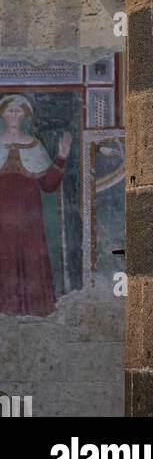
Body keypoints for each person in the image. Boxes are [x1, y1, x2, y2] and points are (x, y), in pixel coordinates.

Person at [0, 93, 70, 315]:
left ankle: (34, 312)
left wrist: (61, 156)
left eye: (18, 110)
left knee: (31, 257)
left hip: (30, 219)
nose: (13, 114)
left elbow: (49, 185)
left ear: (25, 115)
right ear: (2, 114)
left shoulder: (34, 145)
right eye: (9, 110)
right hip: (2, 219)